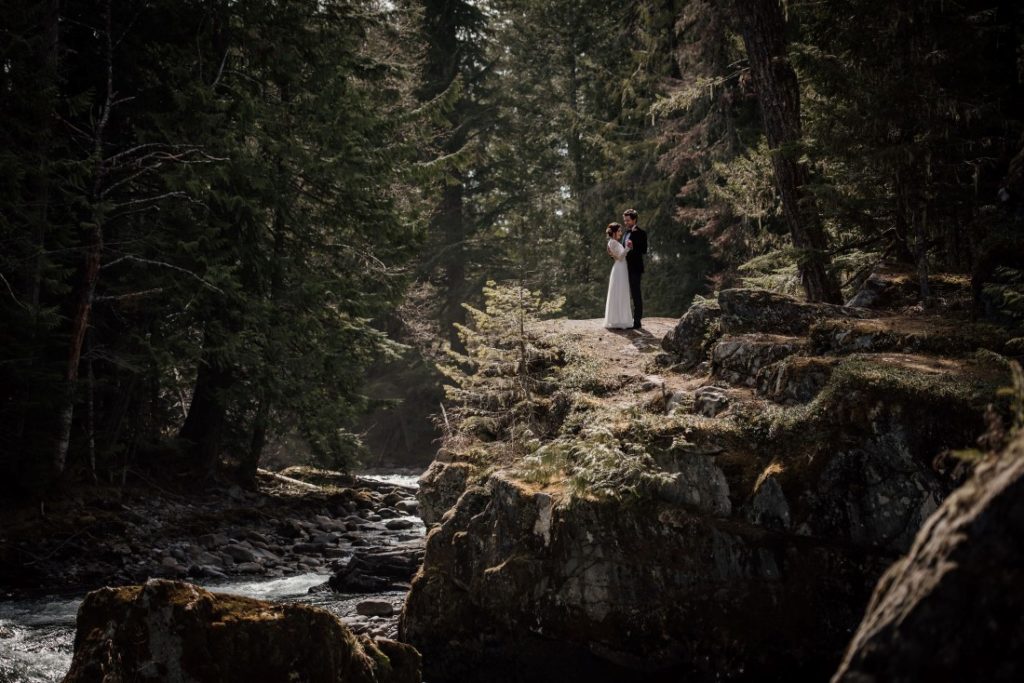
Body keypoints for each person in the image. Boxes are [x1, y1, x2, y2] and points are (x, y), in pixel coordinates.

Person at [603, 223, 633, 329]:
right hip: (620, 267)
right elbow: (620, 257)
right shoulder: (614, 242)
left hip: (620, 268)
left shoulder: (612, 242)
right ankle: (619, 320)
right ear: (614, 232)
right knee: (620, 291)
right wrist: (628, 248)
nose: (621, 233)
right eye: (619, 231)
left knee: (620, 291)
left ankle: (619, 318)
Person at [622, 208, 647, 330]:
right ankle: (626, 319)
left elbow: (644, 250)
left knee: (636, 294)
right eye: (625, 220)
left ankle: (637, 321)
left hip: (635, 268)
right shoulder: (626, 233)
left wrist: (633, 246)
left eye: (627, 220)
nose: (625, 222)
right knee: (625, 293)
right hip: (623, 268)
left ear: (634, 219)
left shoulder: (642, 233)